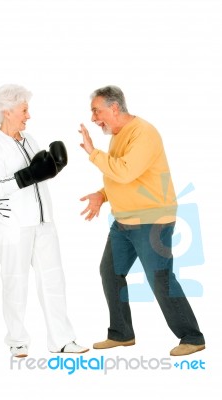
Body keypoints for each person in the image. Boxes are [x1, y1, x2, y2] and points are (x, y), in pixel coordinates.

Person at [79, 85, 205, 356]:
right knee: (110, 272)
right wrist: (102, 195)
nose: (93, 118)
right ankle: (121, 334)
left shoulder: (143, 133)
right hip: (124, 220)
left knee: (160, 278)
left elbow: (124, 172)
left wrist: (92, 153)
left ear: (114, 108)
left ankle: (192, 337)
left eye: (96, 111)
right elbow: (120, 176)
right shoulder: (117, 134)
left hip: (152, 219)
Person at [0, 84, 88, 357]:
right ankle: (17, 340)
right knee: (15, 281)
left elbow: (41, 176)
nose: (29, 116)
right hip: (13, 224)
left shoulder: (29, 139)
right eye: (24, 110)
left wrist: (53, 168)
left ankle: (62, 340)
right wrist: (30, 174)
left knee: (54, 279)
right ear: (7, 112)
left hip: (44, 221)